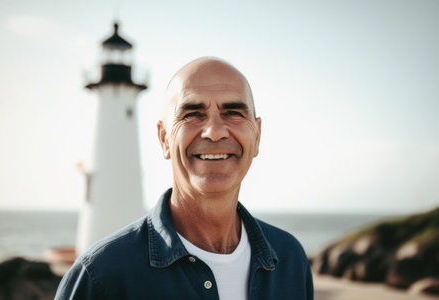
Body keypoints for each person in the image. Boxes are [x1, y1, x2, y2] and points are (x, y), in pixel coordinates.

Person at [55, 57, 313, 299]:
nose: (214, 132)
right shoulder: (101, 276)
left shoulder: (290, 260)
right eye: (192, 114)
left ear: (257, 136)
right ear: (164, 138)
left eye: (233, 112)